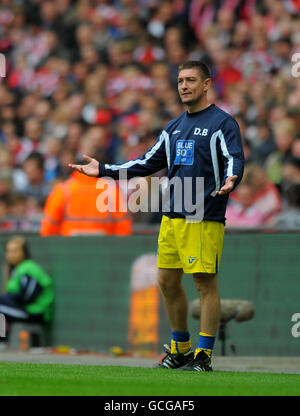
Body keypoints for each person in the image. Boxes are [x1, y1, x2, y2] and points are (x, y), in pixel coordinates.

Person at [69, 61, 244, 372]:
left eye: (191, 80)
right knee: (166, 281)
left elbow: (233, 157)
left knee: (205, 284)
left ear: (206, 84)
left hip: (203, 213)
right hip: (173, 214)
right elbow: (147, 162)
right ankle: (180, 349)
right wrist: (104, 171)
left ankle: (203, 356)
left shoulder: (222, 123)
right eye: (180, 81)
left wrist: (233, 177)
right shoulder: (174, 127)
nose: (184, 86)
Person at [40, 168, 132, 237]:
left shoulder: (63, 190)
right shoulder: (111, 190)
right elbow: (123, 228)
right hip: (104, 253)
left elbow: (48, 228)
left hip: (68, 252)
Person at [0, 236, 54, 329]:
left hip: (35, 313)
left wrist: (6, 299)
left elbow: (27, 297)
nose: (10, 255)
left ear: (24, 252)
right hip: (23, 309)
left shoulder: (29, 268)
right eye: (8, 251)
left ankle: (3, 341)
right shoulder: (16, 269)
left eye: (14, 251)